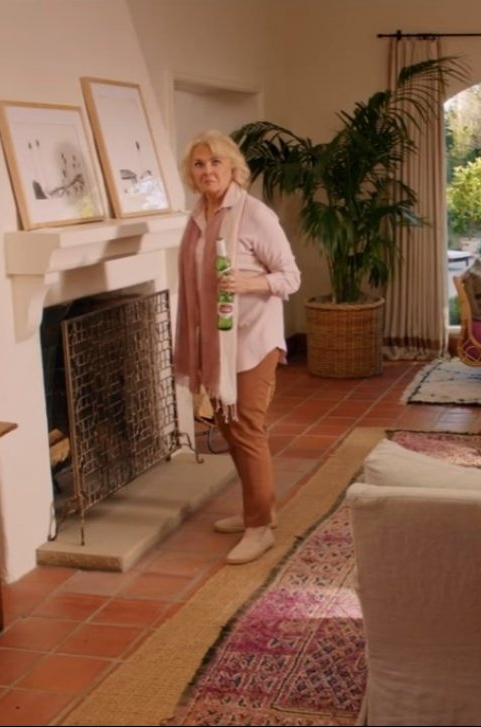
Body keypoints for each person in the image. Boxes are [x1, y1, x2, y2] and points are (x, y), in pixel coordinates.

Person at [173, 130, 301, 565]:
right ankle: (259, 510)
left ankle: (259, 528)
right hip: (212, 342)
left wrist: (249, 282)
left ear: (233, 168)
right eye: (199, 164)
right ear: (190, 173)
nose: (207, 171)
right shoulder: (198, 218)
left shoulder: (255, 214)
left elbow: (290, 276)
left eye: (216, 162)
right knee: (228, 427)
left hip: (250, 339)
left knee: (245, 427)